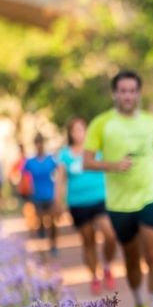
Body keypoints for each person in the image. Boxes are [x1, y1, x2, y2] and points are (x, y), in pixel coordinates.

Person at [83, 70, 153, 307]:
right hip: (120, 202)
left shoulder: (149, 121)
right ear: (114, 94)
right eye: (123, 91)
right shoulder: (101, 124)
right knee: (132, 259)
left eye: (132, 91)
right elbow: (87, 161)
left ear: (138, 93)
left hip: (150, 194)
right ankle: (139, 302)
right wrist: (113, 165)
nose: (128, 96)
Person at [55, 117, 118, 296]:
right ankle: (94, 276)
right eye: (75, 130)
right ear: (70, 133)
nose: (79, 133)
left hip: (100, 199)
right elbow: (60, 180)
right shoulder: (64, 155)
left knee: (110, 234)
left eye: (82, 129)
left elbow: (110, 168)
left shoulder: (96, 150)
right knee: (88, 240)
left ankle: (107, 266)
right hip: (78, 203)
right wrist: (58, 202)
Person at [23, 134, 61, 256]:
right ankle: (42, 240)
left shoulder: (51, 159)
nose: (39, 145)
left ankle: (53, 245)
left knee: (52, 221)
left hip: (50, 195)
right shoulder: (30, 162)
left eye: (41, 142)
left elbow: (61, 173)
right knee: (39, 221)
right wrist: (26, 190)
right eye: (37, 143)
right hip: (36, 197)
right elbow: (22, 176)